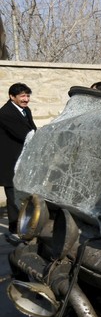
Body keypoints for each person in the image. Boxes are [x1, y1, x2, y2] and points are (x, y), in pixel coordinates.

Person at [0, 83, 37, 240]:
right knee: (13, 196)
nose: (26, 99)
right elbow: (24, 134)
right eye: (22, 96)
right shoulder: (5, 113)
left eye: (27, 96)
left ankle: (26, 227)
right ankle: (14, 230)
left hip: (23, 160)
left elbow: (32, 129)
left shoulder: (25, 110)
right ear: (12, 97)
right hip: (9, 161)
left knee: (23, 195)